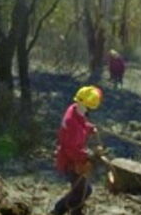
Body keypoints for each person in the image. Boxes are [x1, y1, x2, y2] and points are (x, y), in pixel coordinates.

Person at [53, 86, 103, 215]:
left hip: (72, 159)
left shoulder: (75, 109)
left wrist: (90, 128)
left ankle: (76, 212)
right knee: (85, 190)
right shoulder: (71, 122)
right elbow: (72, 149)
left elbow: (82, 123)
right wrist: (89, 155)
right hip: (70, 162)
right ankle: (58, 210)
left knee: (80, 190)